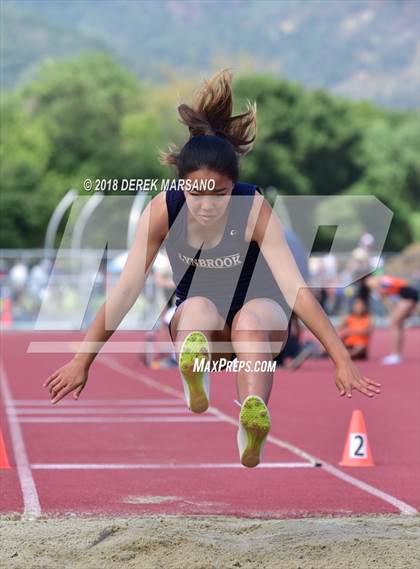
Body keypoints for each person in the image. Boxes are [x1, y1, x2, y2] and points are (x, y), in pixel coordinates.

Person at [44, 69, 381, 469]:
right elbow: (125, 291)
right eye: (195, 193)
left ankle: (252, 417)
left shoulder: (254, 209)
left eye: (219, 194)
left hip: (261, 319)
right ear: (180, 185)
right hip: (204, 327)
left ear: (234, 186)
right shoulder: (162, 212)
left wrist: (340, 356)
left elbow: (295, 290)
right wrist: (83, 360)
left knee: (252, 321)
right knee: (199, 304)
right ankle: (195, 373)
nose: (206, 205)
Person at [366, 274, 419, 365]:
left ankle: (396, 355)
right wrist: (392, 313)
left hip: (408, 295)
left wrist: (392, 314)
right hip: (407, 295)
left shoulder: (377, 282)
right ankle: (396, 354)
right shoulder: (382, 281)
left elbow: (386, 299)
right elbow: (389, 298)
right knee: (396, 323)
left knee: (394, 323)